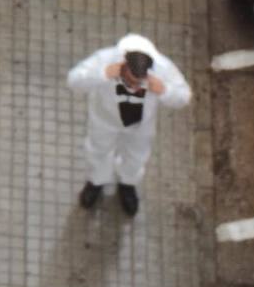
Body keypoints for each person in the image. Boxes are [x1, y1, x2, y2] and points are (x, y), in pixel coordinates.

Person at [66, 33, 191, 216]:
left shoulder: (163, 68)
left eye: (138, 83)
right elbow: (74, 80)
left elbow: (183, 97)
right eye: (129, 80)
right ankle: (96, 181)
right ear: (121, 65)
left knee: (136, 156)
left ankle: (127, 183)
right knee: (97, 151)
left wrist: (165, 90)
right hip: (104, 120)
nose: (133, 87)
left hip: (140, 126)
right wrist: (101, 74)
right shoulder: (104, 59)